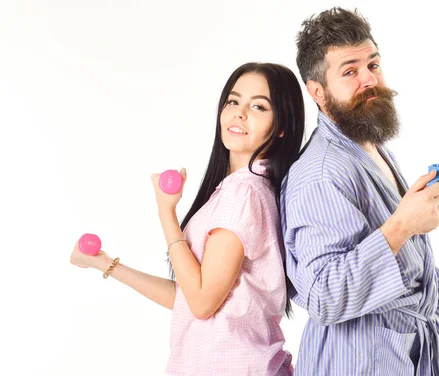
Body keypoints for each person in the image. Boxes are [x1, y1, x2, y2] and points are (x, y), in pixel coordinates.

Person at [280, 7, 439, 375]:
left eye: (373, 65)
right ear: (318, 93)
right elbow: (325, 295)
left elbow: (407, 266)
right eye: (350, 71)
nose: (369, 79)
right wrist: (401, 225)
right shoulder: (320, 175)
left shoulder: (369, 146)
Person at [70, 62, 305, 376]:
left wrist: (166, 212)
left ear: (280, 127)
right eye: (233, 101)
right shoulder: (243, 190)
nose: (239, 113)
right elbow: (189, 297)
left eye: (258, 106)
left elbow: (202, 302)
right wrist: (106, 264)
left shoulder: (244, 194)